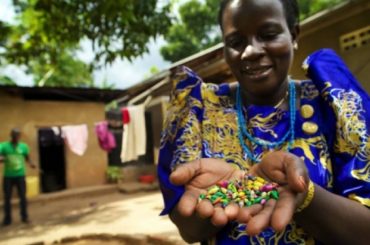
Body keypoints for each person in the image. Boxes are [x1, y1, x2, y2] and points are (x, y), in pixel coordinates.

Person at [157, 0, 370, 244]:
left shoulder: (334, 103)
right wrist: (218, 198)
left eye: (268, 34)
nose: (251, 51)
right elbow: (190, 231)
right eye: (236, 42)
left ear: (293, 34)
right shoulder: (198, 109)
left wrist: (306, 195)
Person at [1, 128, 35, 226]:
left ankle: (24, 217)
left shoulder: (23, 147)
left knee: (23, 197)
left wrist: (31, 164)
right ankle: (7, 219)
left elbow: (27, 158)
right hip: (8, 176)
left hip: (20, 176)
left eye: (18, 136)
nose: (16, 138)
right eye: (14, 136)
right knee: (7, 198)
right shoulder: (3, 146)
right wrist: (2, 158)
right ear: (11, 136)